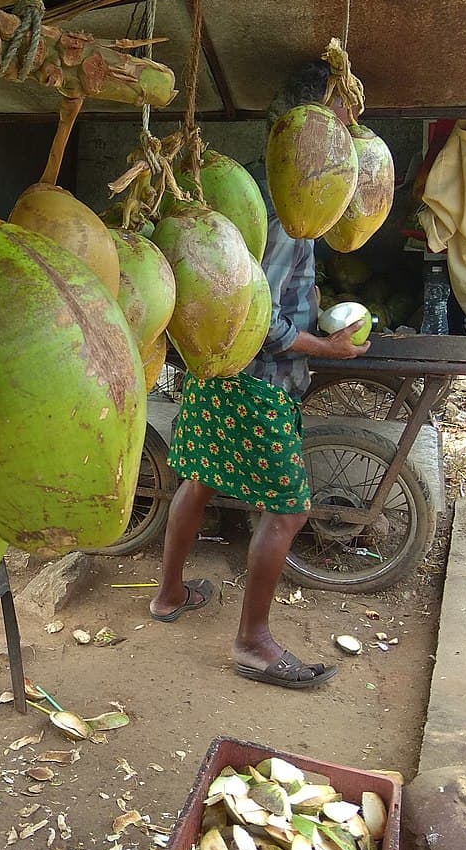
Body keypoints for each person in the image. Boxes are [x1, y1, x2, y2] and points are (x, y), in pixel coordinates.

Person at [148, 61, 370, 689]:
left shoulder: (249, 185)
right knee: (288, 511)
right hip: (257, 381)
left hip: (213, 366)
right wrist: (324, 347)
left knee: (198, 479)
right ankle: (252, 643)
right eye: (339, 126)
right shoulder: (283, 211)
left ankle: (168, 595)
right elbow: (259, 317)